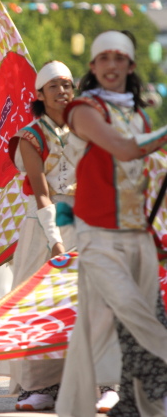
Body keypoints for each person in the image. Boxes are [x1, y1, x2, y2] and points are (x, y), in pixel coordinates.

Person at [56, 30, 167, 417]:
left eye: (119, 58)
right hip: (97, 234)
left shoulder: (139, 115)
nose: (112, 66)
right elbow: (123, 148)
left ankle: (123, 407)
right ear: (92, 67)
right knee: (132, 308)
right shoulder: (84, 109)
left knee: (98, 325)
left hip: (138, 233)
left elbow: (151, 167)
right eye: (104, 59)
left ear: (131, 66)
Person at [0, 60, 97, 411]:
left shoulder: (85, 131)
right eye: (54, 86)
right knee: (37, 305)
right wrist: (55, 239)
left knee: (86, 305)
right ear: (40, 94)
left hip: (83, 224)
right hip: (43, 227)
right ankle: (36, 385)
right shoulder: (30, 135)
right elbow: (41, 194)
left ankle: (90, 380)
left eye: (68, 84)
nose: (63, 91)